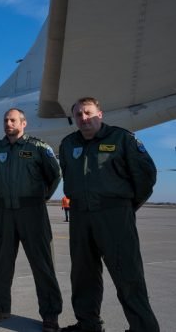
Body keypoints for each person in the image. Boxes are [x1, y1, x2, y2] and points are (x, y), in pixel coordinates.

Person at [60, 97, 160, 332]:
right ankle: (88, 324)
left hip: (114, 215)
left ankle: (144, 328)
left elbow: (146, 175)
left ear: (100, 114)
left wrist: (126, 205)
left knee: (127, 274)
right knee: (83, 274)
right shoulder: (67, 143)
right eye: (79, 115)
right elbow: (66, 173)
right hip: (81, 215)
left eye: (88, 113)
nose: (84, 118)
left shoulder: (121, 138)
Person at [0, 108, 62, 332]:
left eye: (13, 120)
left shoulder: (38, 147)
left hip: (32, 211)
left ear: (23, 123)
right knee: (2, 263)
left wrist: (40, 197)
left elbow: (54, 175)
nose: (9, 123)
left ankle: (50, 315)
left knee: (43, 265)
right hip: (3, 212)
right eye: (6, 120)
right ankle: (1, 307)